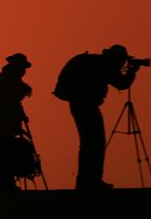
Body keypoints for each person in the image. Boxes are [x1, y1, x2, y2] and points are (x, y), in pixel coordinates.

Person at [54, 44, 139, 190]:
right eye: (121, 61)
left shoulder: (97, 62)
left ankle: (86, 180)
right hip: (86, 105)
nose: (121, 64)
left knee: (89, 143)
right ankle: (91, 181)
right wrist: (132, 72)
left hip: (79, 104)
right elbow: (122, 84)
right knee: (95, 143)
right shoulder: (105, 65)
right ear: (116, 58)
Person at [0, 53, 34, 192]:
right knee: (3, 154)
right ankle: (4, 183)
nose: (24, 71)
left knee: (3, 153)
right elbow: (11, 101)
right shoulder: (7, 79)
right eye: (22, 68)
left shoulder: (8, 78)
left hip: (3, 124)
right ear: (16, 67)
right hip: (3, 125)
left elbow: (15, 101)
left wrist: (21, 115)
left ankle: (5, 182)